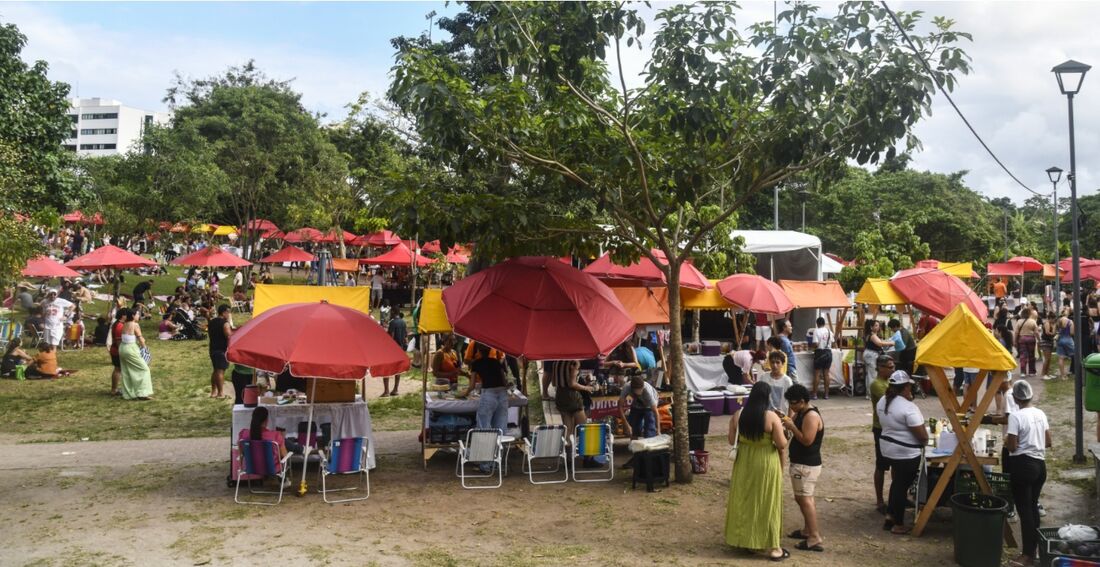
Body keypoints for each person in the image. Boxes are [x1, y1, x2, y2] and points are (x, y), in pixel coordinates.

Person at [725, 381, 789, 561]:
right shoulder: (771, 417)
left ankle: (747, 540)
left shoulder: (738, 414)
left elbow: (731, 440)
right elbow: (782, 444)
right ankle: (774, 547)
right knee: (767, 501)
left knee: (745, 499)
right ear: (767, 397)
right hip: (766, 462)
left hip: (744, 461)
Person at [1005, 380, 1051, 567]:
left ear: (1015, 398)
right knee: (1032, 507)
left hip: (1023, 465)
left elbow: (1012, 445)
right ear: (1030, 396)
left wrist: (1008, 442)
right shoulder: (1040, 413)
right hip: (1040, 466)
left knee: (1025, 511)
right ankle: (1036, 548)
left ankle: (1027, 555)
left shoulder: (1015, 416)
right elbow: (1048, 441)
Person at [876, 370, 928, 534]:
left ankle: (890, 517)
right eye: (909, 387)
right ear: (905, 388)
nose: (911, 391)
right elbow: (921, 434)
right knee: (901, 486)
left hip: (888, 449)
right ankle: (898, 523)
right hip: (906, 452)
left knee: (897, 482)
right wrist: (926, 441)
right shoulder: (908, 407)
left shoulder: (883, 401)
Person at [782, 384, 825, 552]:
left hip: (806, 464)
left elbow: (807, 440)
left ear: (802, 401)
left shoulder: (811, 416)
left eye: (793, 403)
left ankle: (814, 537)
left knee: (805, 500)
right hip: (802, 463)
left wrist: (792, 426)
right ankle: (808, 530)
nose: (791, 407)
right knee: (803, 498)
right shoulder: (802, 412)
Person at [869, 354, 895, 514]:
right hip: (881, 428)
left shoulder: (890, 382)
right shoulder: (876, 384)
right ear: (880, 368)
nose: (893, 370)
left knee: (896, 465)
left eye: (893, 367)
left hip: (894, 427)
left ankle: (896, 496)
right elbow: (893, 399)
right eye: (890, 367)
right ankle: (880, 501)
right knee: (881, 465)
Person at [238, 406, 289, 487]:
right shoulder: (275, 435)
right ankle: (284, 481)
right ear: (266, 420)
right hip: (272, 468)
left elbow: (241, 453)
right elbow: (284, 455)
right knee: (284, 455)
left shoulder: (243, 434)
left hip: (251, 467)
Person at [552, 359, 595, 436]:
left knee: (567, 430)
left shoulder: (557, 361)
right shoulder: (574, 362)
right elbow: (572, 384)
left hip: (559, 395)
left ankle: (568, 446)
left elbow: (553, 382)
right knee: (583, 428)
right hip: (572, 396)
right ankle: (582, 446)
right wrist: (587, 388)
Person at [118, 309, 153, 400]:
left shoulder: (124, 324)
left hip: (122, 348)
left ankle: (129, 393)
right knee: (144, 369)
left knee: (127, 371)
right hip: (130, 349)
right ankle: (142, 393)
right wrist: (145, 348)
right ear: (133, 316)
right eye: (138, 314)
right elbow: (141, 339)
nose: (139, 316)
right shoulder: (135, 324)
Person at [618, 374, 660, 440]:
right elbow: (620, 406)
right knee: (634, 429)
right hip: (637, 404)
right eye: (638, 390)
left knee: (650, 430)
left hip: (649, 406)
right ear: (633, 389)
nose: (640, 391)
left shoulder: (647, 391)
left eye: (641, 389)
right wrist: (626, 424)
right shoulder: (627, 387)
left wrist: (658, 430)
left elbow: (656, 412)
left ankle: (650, 444)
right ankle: (634, 445)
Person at [208, 304, 233, 399]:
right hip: (222, 350)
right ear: (224, 312)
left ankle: (213, 391)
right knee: (220, 371)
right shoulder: (225, 323)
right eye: (228, 312)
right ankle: (221, 393)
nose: (229, 314)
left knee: (215, 370)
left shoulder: (212, 321)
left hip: (213, 348)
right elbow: (229, 336)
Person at [862, 319, 893, 396]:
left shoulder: (870, 334)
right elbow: (880, 343)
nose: (878, 327)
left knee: (870, 374)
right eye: (876, 325)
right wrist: (891, 343)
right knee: (873, 374)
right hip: (871, 355)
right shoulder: (872, 335)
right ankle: (871, 394)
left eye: (878, 325)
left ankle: (870, 393)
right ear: (871, 327)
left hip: (870, 354)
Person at [383, 311, 408, 397]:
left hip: (392, 349)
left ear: (393, 313)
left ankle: (386, 391)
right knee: (398, 370)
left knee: (386, 369)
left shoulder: (393, 322)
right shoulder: (403, 322)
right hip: (400, 348)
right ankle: (395, 389)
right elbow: (405, 336)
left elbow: (391, 336)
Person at [810, 317, 834, 399]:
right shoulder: (829, 331)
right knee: (826, 374)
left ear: (817, 324)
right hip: (828, 353)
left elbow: (816, 344)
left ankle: (815, 394)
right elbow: (833, 342)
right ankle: (826, 395)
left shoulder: (816, 331)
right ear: (824, 323)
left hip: (819, 353)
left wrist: (811, 346)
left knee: (817, 374)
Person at [1015, 308, 1039, 377]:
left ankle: (1023, 372)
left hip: (1022, 339)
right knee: (1031, 356)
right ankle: (1032, 372)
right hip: (1031, 339)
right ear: (1029, 314)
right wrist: (1039, 340)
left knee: (1023, 356)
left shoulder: (1019, 321)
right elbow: (1036, 332)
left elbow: (1016, 332)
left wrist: (1014, 341)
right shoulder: (1033, 321)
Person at [1052, 309, 1074, 381]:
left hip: (1060, 340)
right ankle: (1077, 372)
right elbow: (1072, 333)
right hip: (1068, 339)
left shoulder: (1058, 321)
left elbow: (1054, 331)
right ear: (1067, 314)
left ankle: (1063, 375)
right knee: (1076, 355)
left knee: (1061, 358)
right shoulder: (1070, 321)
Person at [108, 309, 126, 395]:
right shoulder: (119, 325)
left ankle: (114, 389)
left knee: (118, 369)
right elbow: (119, 341)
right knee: (118, 369)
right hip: (117, 350)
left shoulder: (117, 323)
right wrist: (122, 351)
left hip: (115, 349)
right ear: (123, 316)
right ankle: (114, 390)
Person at [1038, 311, 1056, 379]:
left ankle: (1047, 373)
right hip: (1045, 342)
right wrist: (1054, 333)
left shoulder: (1050, 323)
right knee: (1046, 359)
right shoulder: (1047, 323)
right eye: (1054, 319)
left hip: (1049, 342)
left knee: (1049, 359)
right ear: (1050, 318)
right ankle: (1043, 374)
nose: (1054, 321)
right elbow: (1047, 332)